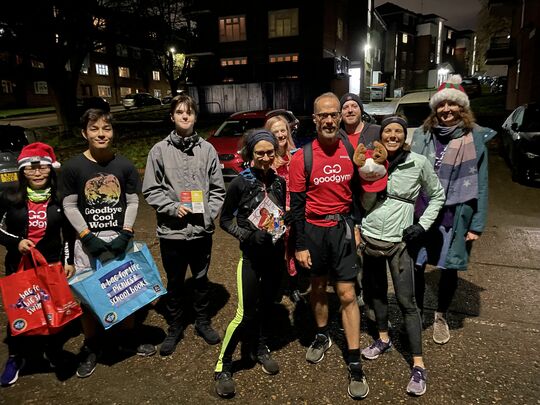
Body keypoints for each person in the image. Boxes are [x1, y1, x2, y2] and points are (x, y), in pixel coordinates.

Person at [62, 109, 156, 379]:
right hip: (86, 240)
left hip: (119, 237)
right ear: (84, 133)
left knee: (126, 289)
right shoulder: (73, 167)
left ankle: (127, 337)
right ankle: (92, 345)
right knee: (88, 294)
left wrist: (125, 233)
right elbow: (69, 205)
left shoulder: (124, 166)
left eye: (106, 128)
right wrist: (86, 236)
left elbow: (133, 200)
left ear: (113, 132)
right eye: (94, 129)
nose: (101, 133)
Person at [288, 92, 368, 400]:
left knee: (347, 293)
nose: (330, 120)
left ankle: (355, 358)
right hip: (314, 231)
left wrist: (357, 223)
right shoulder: (302, 157)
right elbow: (296, 206)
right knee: (318, 287)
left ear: (340, 117)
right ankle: (322, 335)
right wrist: (300, 244)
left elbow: (359, 189)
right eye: (324, 115)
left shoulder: (351, 149)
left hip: (343, 229)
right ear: (315, 119)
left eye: (334, 114)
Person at [358, 116, 445, 396]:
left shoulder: (418, 162)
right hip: (372, 236)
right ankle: (383, 338)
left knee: (407, 301)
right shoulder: (373, 161)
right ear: (381, 136)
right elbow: (363, 200)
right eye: (387, 131)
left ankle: (418, 364)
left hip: (401, 241)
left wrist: (421, 225)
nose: (392, 135)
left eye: (397, 131)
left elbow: (437, 196)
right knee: (377, 293)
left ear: (403, 135)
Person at [411, 75, 496, 345]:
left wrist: (477, 224)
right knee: (417, 264)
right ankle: (418, 311)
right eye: (441, 104)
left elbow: (481, 183)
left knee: (448, 267)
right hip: (422, 212)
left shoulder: (475, 139)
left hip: (454, 214)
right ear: (434, 108)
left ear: (462, 108)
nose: (446, 109)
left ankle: (441, 314)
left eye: (453, 104)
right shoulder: (423, 135)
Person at [143, 94, 226, 356]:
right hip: (172, 232)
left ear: (195, 117)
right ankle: (175, 327)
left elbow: (217, 190)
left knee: (201, 280)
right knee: (175, 281)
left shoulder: (208, 150)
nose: (185, 116)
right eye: (179, 112)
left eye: (189, 112)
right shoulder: (159, 151)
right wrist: (171, 207)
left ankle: (203, 322)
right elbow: (151, 189)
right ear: (172, 116)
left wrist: (208, 214)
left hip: (201, 231)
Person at [214, 129, 286, 398]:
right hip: (251, 259)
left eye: (270, 152)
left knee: (267, 307)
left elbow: (278, 214)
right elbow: (224, 221)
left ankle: (260, 346)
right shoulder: (240, 183)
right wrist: (247, 235)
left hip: (274, 258)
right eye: (260, 153)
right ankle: (224, 365)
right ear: (250, 155)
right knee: (244, 313)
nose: (266, 158)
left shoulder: (279, 182)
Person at [0, 143, 75, 386]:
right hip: (19, 265)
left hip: (50, 265)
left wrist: (68, 260)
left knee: (52, 309)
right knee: (21, 311)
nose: (38, 173)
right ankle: (16, 356)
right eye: (31, 169)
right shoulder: (10, 197)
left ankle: (53, 350)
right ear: (22, 172)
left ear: (50, 169)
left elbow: (68, 233)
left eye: (42, 168)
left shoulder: (60, 199)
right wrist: (16, 242)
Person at [339, 93, 381, 314]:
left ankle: (372, 294)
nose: (350, 110)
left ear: (361, 109)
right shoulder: (337, 135)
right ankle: (354, 289)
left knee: (372, 246)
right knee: (351, 245)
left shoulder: (374, 131)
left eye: (354, 105)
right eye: (345, 107)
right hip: (347, 198)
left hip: (372, 197)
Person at [264, 115, 302, 303]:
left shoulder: (296, 154)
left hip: (294, 210)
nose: (280, 134)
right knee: (276, 247)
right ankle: (275, 287)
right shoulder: (266, 158)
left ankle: (293, 285)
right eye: (275, 131)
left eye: (283, 130)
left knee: (294, 247)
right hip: (275, 212)